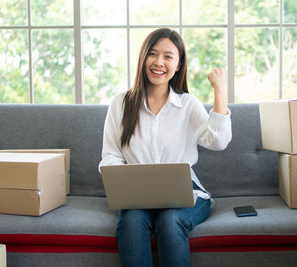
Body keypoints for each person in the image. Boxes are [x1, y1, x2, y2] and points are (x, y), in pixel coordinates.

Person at [99, 28, 232, 267]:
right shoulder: (120, 103)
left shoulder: (187, 104)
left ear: (179, 64)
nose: (159, 62)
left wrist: (220, 90)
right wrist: (119, 181)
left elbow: (218, 140)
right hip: (137, 195)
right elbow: (110, 155)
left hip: (185, 195)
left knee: (170, 222)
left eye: (168, 56)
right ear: (143, 58)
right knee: (130, 223)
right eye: (153, 54)